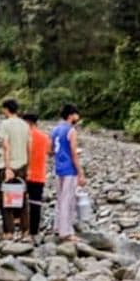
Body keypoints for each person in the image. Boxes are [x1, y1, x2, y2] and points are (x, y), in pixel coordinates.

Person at [0, 98, 30, 238]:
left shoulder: (5, 124)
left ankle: (8, 231)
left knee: (6, 200)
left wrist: (8, 167)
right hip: (22, 165)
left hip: (8, 166)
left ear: (6, 109)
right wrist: (28, 165)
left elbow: (6, 146)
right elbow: (29, 146)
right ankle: (25, 230)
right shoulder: (25, 125)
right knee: (22, 198)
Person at [51, 104, 85, 242]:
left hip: (58, 167)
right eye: (76, 115)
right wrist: (81, 172)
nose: (78, 117)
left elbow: (50, 150)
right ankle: (66, 232)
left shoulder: (55, 130)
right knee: (68, 200)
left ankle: (58, 226)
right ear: (71, 115)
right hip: (69, 169)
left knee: (60, 199)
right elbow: (73, 153)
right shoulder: (71, 131)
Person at [24, 113, 50, 237]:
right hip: (39, 174)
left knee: (20, 203)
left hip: (24, 173)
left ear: (28, 123)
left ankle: (22, 229)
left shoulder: (24, 136)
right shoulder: (44, 137)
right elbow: (49, 152)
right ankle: (34, 231)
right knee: (35, 203)